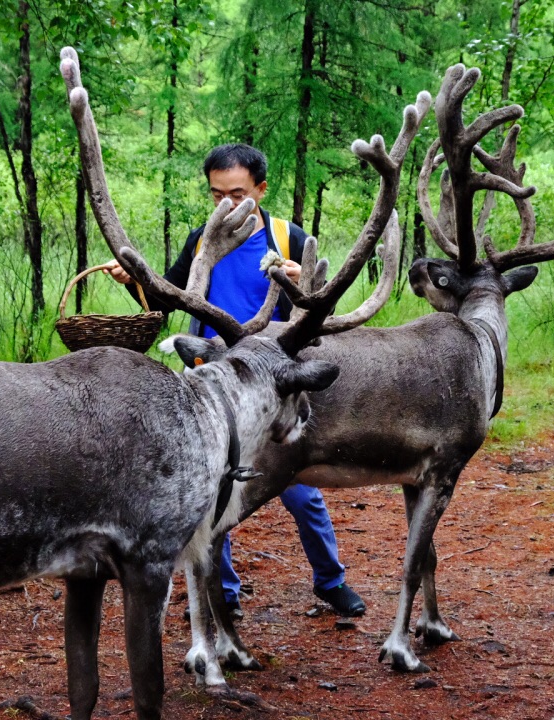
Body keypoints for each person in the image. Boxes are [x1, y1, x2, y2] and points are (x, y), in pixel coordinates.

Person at [105, 143, 366, 619]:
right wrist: (131, 281)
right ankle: (221, 593)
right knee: (212, 498)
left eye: (238, 193)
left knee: (301, 493)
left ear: (261, 189)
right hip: (213, 386)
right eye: (217, 194)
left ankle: (331, 582)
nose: (227, 204)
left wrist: (301, 283)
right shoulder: (201, 241)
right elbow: (166, 301)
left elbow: (314, 312)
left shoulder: (289, 239)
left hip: (270, 389)